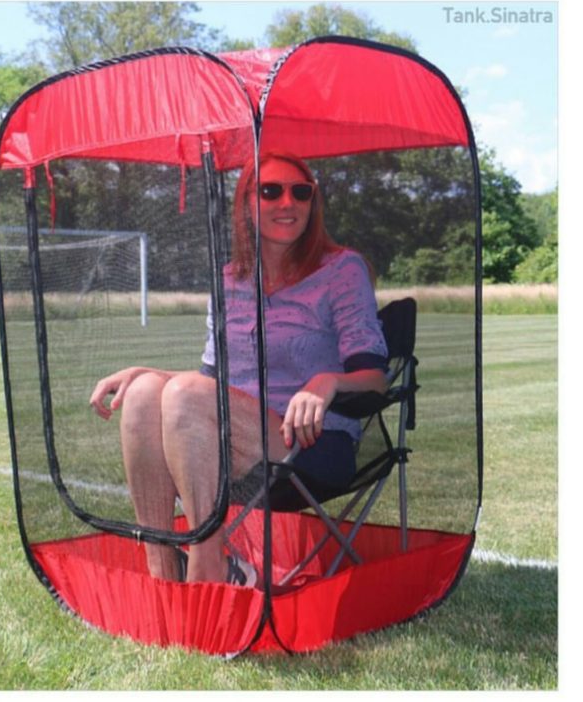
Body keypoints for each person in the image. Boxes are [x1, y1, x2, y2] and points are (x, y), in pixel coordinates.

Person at [89, 152, 388, 586]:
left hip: (310, 442)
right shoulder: (229, 279)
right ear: (246, 204)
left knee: (183, 395)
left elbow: (375, 381)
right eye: (270, 191)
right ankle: (163, 575)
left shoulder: (342, 270)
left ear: (313, 202)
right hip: (232, 436)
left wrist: (328, 381)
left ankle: (207, 567)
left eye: (300, 192)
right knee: (141, 394)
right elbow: (209, 383)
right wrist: (143, 371)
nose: (287, 202)